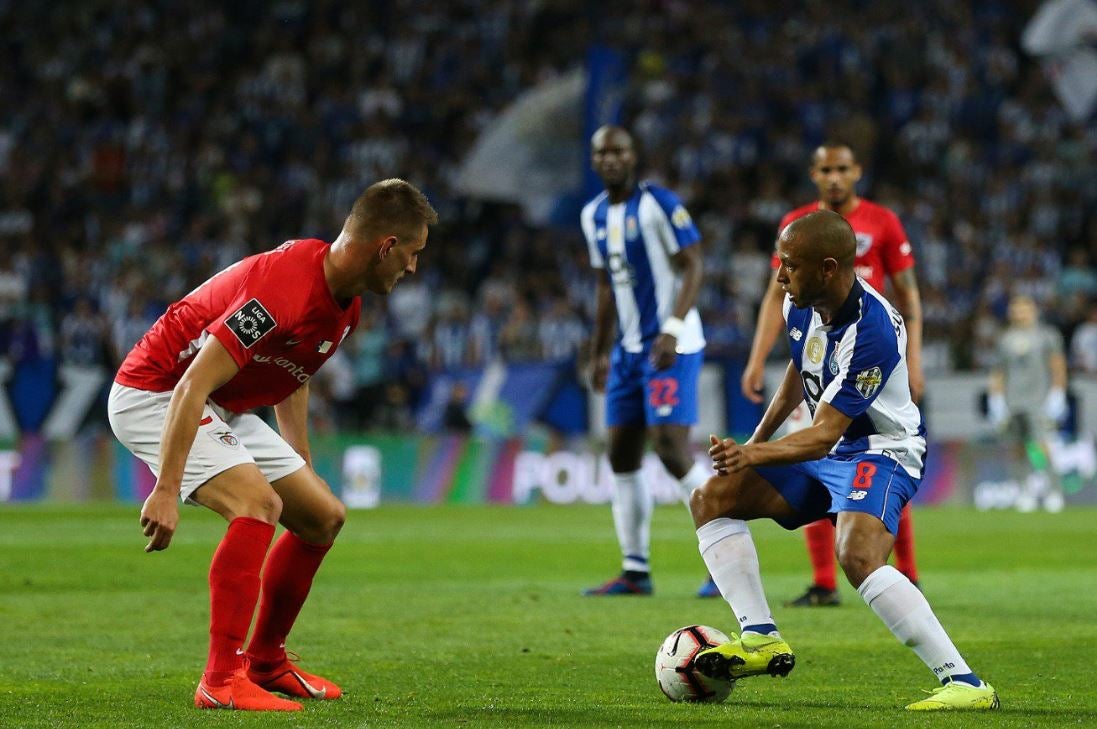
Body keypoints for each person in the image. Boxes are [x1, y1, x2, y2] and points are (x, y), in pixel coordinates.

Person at [107, 179, 438, 711]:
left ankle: (265, 661)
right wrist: (166, 489)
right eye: (413, 253)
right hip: (156, 391)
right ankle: (219, 681)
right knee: (257, 504)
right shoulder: (281, 288)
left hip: (220, 401)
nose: (413, 268)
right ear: (386, 246)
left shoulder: (344, 304)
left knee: (323, 516)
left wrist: (301, 461)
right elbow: (191, 383)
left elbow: (294, 369)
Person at [691, 210, 998, 711]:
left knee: (857, 555)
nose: (780, 275)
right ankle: (761, 637)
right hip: (827, 449)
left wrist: (750, 452)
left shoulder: (872, 331)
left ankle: (964, 683)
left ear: (828, 268)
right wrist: (753, 444)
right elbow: (799, 368)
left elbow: (823, 433)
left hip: (882, 452)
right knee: (712, 498)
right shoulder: (802, 302)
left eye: (789, 265)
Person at [740, 142, 923, 606]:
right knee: (821, 463)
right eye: (826, 169)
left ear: (857, 171)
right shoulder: (796, 230)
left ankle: (907, 573)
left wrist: (913, 360)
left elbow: (908, 294)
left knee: (879, 459)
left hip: (871, 355)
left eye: (843, 169)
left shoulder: (883, 221)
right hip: (818, 353)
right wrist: (758, 358)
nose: (835, 177)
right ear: (814, 174)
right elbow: (773, 297)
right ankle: (824, 582)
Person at [579, 125, 713, 596]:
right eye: (602, 153)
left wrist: (673, 328)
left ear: (633, 157)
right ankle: (635, 571)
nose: (611, 159)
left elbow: (694, 263)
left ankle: (725, 555)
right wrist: (598, 351)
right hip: (627, 350)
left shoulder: (660, 203)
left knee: (672, 449)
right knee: (621, 454)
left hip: (671, 345)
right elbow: (604, 286)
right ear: (594, 161)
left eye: (619, 151)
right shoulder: (592, 215)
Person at [987, 294, 1068, 513]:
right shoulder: (1005, 338)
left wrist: (1058, 392)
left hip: (1039, 399)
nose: (1019, 312)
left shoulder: (1047, 335)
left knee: (1041, 446)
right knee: (1016, 448)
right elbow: (998, 371)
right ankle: (1024, 491)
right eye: (1016, 308)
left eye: (1024, 308)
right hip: (1013, 401)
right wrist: (995, 399)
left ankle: (1054, 490)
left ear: (1033, 310)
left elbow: (1057, 365)